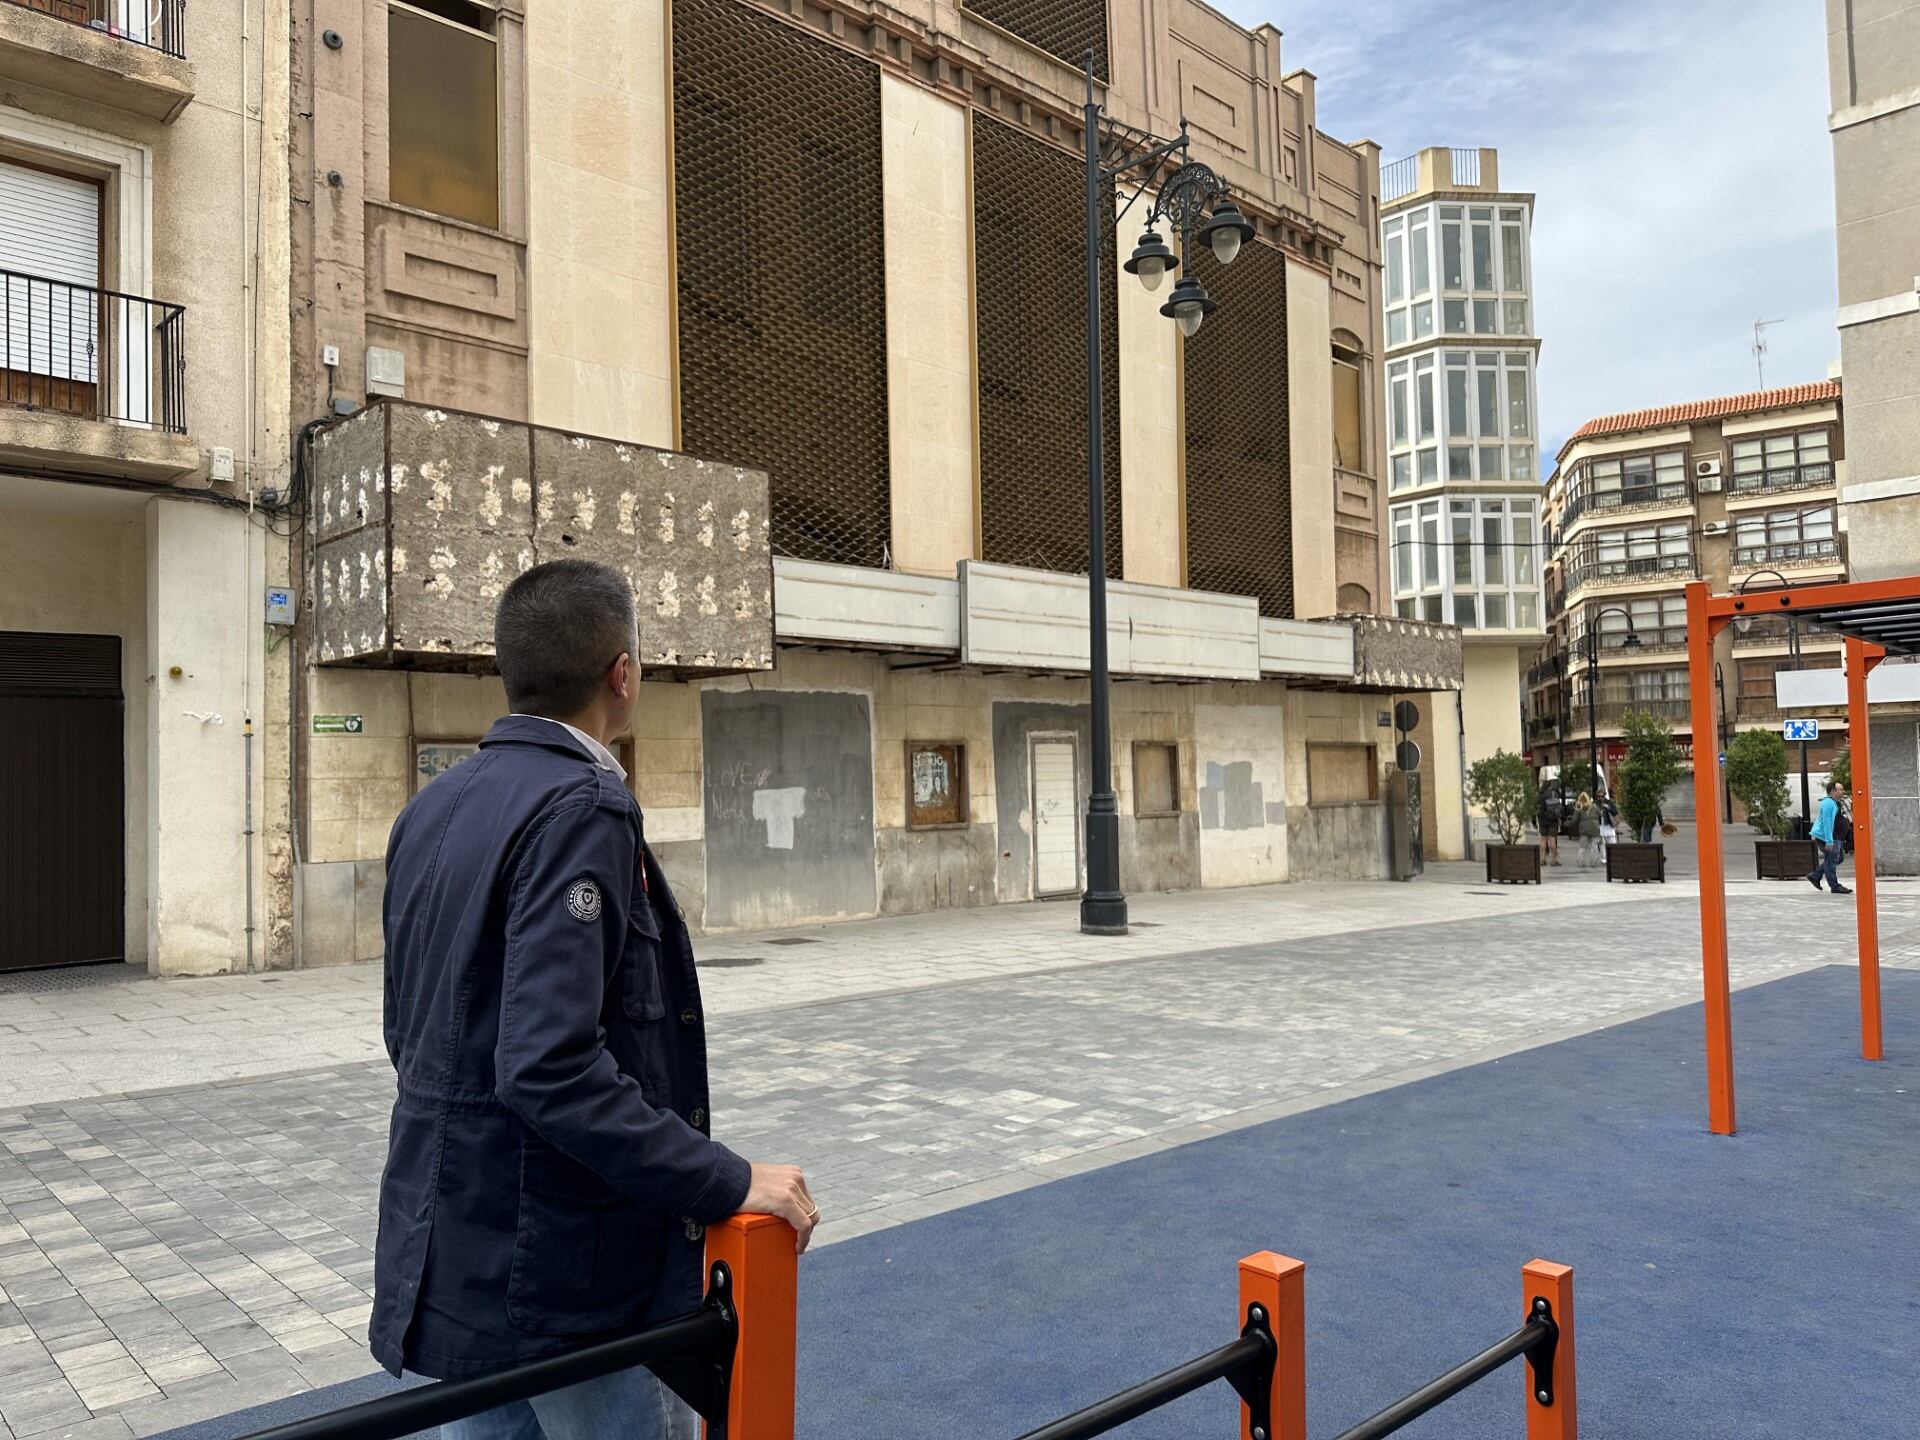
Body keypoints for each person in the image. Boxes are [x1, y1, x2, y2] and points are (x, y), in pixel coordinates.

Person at [372, 558, 819, 1439]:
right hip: (558, 1266)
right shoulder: (582, 808)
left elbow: (411, 1030)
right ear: (623, 673)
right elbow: (549, 1065)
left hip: (455, 1243)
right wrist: (726, 1179)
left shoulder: (434, 804)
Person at [1807, 779, 1853, 895]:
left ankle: (1815, 875)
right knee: (1832, 861)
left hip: (1836, 836)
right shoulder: (1828, 803)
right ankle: (1835, 886)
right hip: (1830, 837)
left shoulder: (1835, 802)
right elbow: (1827, 822)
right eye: (1840, 789)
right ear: (1833, 791)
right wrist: (1829, 841)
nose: (1843, 791)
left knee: (1837, 859)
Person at [1573, 791, 1601, 868]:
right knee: (1594, 846)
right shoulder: (1594, 806)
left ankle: (1581, 862)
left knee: (1582, 847)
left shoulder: (1579, 807)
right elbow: (1600, 814)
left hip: (1584, 829)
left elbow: (1574, 819)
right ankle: (1593, 862)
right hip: (1594, 827)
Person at [1538, 783, 1562, 865]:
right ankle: (1553, 860)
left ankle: (1542, 859)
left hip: (1542, 820)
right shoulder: (1553, 794)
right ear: (1550, 786)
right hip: (1552, 820)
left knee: (1543, 839)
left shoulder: (1540, 795)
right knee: (1552, 840)